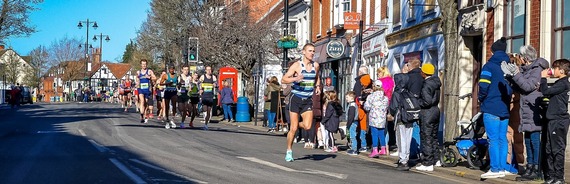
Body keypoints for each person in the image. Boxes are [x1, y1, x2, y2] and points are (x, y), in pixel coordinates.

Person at [502, 46, 548, 180]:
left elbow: (528, 86)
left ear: (525, 58)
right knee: (528, 140)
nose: (519, 59)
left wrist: (516, 74)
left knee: (534, 140)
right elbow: (519, 86)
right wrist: (509, 77)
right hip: (526, 109)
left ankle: (536, 168)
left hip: (533, 109)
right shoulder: (527, 69)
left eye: (521, 56)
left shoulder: (537, 69)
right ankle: (530, 167)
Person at [479, 37, 514, 179]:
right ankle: (503, 167)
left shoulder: (488, 66)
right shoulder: (509, 66)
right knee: (502, 139)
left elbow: (483, 86)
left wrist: (482, 98)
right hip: (504, 108)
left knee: (492, 139)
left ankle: (495, 169)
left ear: (492, 51)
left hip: (491, 107)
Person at [281, 43, 321, 162]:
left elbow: (317, 77)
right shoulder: (297, 65)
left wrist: (317, 86)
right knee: (293, 130)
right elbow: (284, 79)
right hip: (296, 98)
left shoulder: (316, 65)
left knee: (308, 126)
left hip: (307, 99)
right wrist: (295, 79)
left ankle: (292, 125)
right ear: (303, 52)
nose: (312, 53)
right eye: (309, 51)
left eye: (313, 51)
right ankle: (289, 150)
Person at [539, 59, 570, 184]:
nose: (552, 70)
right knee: (549, 149)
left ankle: (559, 177)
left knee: (557, 149)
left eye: (555, 68)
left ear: (561, 71)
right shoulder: (559, 83)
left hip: (559, 121)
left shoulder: (563, 84)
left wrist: (543, 78)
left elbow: (546, 91)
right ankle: (551, 176)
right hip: (553, 120)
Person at [414, 63, 441, 172]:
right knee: (433, 136)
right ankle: (436, 159)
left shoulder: (426, 84)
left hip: (427, 112)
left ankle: (427, 163)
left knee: (426, 136)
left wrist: (418, 101)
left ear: (424, 73)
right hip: (436, 110)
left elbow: (426, 101)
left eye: (421, 71)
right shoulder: (436, 82)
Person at [364, 80, 389, 158]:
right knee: (381, 133)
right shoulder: (385, 97)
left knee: (374, 134)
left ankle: (375, 150)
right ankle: (383, 148)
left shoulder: (371, 96)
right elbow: (387, 106)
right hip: (382, 118)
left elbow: (367, 107)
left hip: (374, 117)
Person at [376, 66, 396, 156]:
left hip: (381, 106)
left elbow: (381, 93)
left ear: (382, 73)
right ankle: (386, 148)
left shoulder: (382, 82)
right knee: (387, 127)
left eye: (378, 73)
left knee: (381, 127)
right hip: (389, 104)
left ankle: (384, 146)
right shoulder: (391, 81)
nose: (377, 75)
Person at [353, 66, 373, 152]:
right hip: (371, 107)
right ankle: (369, 143)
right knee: (369, 125)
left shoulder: (359, 82)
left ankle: (361, 144)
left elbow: (356, 94)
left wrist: (358, 102)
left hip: (360, 106)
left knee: (360, 125)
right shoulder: (372, 81)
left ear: (360, 73)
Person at [136, 59, 157, 124]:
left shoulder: (149, 71)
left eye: (145, 64)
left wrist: (150, 77)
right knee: (142, 101)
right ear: (141, 65)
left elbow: (155, 78)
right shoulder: (138, 72)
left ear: (146, 64)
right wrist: (137, 83)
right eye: (142, 64)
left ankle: (144, 114)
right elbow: (137, 80)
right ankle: (142, 115)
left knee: (146, 103)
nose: (144, 65)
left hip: (148, 90)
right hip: (141, 89)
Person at [160, 64, 178, 129]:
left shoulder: (176, 75)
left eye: (173, 69)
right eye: (170, 69)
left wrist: (179, 85)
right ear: (169, 70)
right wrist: (167, 83)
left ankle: (172, 119)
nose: (171, 70)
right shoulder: (166, 76)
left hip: (174, 92)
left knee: (174, 106)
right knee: (167, 106)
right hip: (167, 92)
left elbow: (178, 83)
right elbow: (160, 83)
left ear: (174, 69)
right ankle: (167, 120)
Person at [199, 66, 217, 130]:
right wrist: (200, 89)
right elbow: (199, 83)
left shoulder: (213, 77)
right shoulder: (203, 77)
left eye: (210, 70)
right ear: (205, 70)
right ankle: (204, 117)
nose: (209, 71)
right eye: (208, 70)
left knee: (209, 111)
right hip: (204, 96)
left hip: (210, 96)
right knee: (205, 109)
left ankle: (206, 124)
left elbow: (216, 84)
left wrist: (215, 84)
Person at [345, 91, 359, 155]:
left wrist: (348, 124)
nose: (346, 99)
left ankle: (354, 150)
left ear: (352, 98)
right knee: (351, 136)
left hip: (353, 123)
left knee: (353, 136)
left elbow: (351, 116)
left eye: (347, 97)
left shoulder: (352, 105)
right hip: (353, 122)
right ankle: (353, 148)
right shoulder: (351, 104)